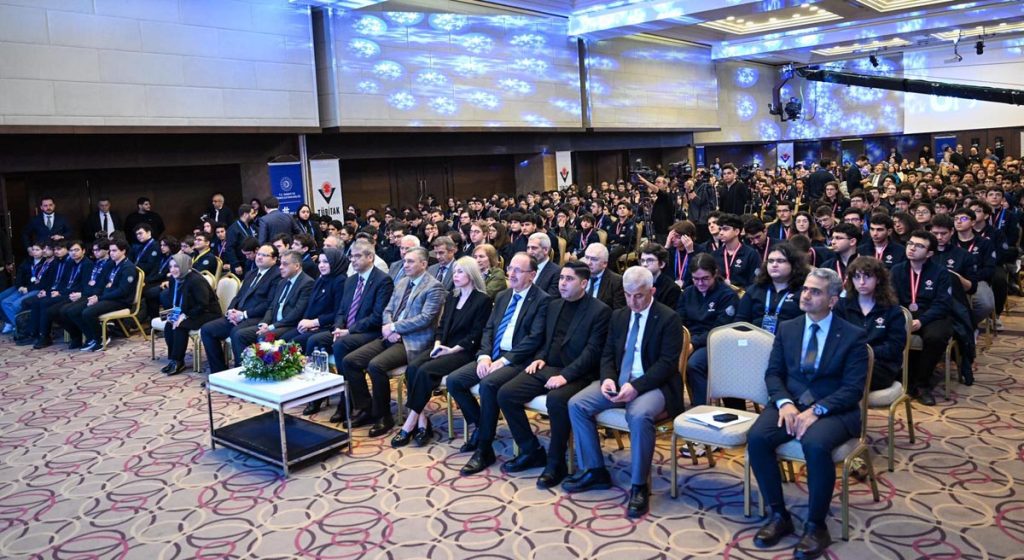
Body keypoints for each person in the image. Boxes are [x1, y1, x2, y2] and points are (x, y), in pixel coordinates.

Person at [747, 267, 868, 560]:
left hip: (835, 410)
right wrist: (784, 403)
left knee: (814, 444)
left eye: (815, 292)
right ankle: (779, 515)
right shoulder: (788, 328)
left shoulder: (852, 336)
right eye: (805, 289)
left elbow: (853, 389)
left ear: (833, 300)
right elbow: (773, 373)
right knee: (757, 438)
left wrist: (818, 409)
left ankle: (816, 526)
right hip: (791, 403)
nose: (806, 295)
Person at [563, 266, 683, 519]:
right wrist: (607, 378)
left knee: (638, 415)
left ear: (652, 291)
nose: (632, 302)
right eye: (628, 295)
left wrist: (636, 387)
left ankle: (639, 486)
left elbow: (667, 364)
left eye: (638, 296)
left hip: (654, 384)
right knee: (577, 404)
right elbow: (607, 353)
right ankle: (594, 470)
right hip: (619, 379)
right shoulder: (618, 316)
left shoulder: (668, 318)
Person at [495, 262, 611, 487]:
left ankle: (556, 462)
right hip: (548, 367)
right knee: (506, 394)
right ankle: (531, 450)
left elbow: (592, 352)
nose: (563, 283)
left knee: (557, 400)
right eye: (561, 278)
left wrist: (565, 376)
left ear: (584, 283)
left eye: (569, 279)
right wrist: (540, 357)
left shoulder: (600, 311)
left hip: (579, 373)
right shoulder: (554, 304)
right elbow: (545, 340)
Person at [447, 252, 550, 475]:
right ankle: (482, 427)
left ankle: (484, 449)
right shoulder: (503, 296)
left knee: (489, 384)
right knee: (454, 381)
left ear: (532, 275)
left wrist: (503, 360)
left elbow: (534, 338)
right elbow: (489, 329)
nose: (511, 274)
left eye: (518, 270)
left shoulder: (542, 300)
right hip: (492, 355)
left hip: (518, 360)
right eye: (510, 268)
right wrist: (484, 355)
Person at [342, 247, 445, 437]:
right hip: (390, 335)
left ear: (424, 264)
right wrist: (388, 327)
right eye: (405, 261)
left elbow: (425, 319)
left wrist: (395, 327)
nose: (405, 265)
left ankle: (383, 416)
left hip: (412, 341)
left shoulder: (434, 287)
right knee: (350, 361)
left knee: (376, 366)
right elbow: (387, 309)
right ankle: (366, 407)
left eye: (411, 261)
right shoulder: (402, 282)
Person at [392, 257, 492, 448]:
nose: (455, 275)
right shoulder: (452, 297)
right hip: (443, 346)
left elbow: (476, 334)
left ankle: (411, 422)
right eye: (454, 272)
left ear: (471, 274)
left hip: (463, 351)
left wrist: (451, 350)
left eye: (460, 271)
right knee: (412, 368)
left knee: (425, 372)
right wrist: (438, 344)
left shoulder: (483, 300)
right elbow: (442, 326)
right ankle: (422, 421)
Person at [302, 239, 395, 421]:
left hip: (370, 332)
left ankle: (350, 402)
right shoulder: (351, 280)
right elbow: (342, 311)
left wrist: (349, 331)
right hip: (347, 330)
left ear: (370, 257)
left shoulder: (383, 280)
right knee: (315, 340)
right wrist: (338, 327)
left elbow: (377, 317)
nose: (353, 260)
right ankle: (319, 394)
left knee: (341, 345)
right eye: (351, 256)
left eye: (358, 256)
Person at [891, 230, 952, 406]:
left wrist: (922, 320)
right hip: (904, 314)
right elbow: (891, 299)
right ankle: (897, 377)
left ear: (930, 253)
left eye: (919, 246)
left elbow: (942, 304)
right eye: (910, 243)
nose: (912, 248)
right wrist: (904, 317)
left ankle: (922, 384)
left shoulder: (940, 273)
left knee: (936, 337)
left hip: (932, 315)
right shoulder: (897, 270)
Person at [199, 245, 281, 373]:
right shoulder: (251, 273)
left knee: (237, 333)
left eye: (265, 255)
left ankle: (239, 373)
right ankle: (219, 371)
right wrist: (230, 311)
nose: (259, 257)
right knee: (207, 329)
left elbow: (269, 304)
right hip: (237, 315)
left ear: (274, 259)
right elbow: (238, 296)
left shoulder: (277, 276)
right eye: (259, 254)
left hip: (257, 317)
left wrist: (243, 315)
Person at [228, 250, 314, 365]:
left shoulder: (307, 283)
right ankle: (245, 369)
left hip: (289, 325)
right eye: (281, 263)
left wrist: (271, 327)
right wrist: (264, 323)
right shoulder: (282, 282)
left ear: (297, 266)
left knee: (264, 337)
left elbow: (296, 313)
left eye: (285, 264)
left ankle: (263, 371)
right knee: (240, 335)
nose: (280, 267)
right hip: (273, 323)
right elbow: (271, 307)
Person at [677, 253, 741, 407]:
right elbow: (679, 320)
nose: (700, 283)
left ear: (715, 273)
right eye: (695, 279)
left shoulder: (727, 295)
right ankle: (673, 407)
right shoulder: (688, 293)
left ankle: (702, 408)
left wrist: (693, 344)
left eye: (705, 278)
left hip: (716, 341)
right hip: (690, 339)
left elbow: (720, 329)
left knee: (694, 364)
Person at [836, 256, 906, 391]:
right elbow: (835, 337)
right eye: (857, 277)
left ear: (878, 279)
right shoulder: (842, 306)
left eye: (867, 277)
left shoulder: (892, 310)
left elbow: (895, 347)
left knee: (849, 375)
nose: (861, 282)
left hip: (881, 365)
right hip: (848, 360)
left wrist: (865, 352)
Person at [67, 239, 138, 352]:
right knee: (73, 311)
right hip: (107, 297)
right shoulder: (111, 264)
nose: (111, 253)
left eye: (114, 251)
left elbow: (122, 291)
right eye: (110, 251)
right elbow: (102, 284)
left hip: (121, 301)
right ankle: (91, 337)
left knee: (87, 312)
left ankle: (101, 338)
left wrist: (99, 298)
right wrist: (95, 296)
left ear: (123, 251)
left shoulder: (128, 268)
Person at [158, 253, 221, 375]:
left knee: (180, 326)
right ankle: (173, 359)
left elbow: (203, 304)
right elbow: (176, 300)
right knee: (170, 324)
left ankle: (178, 361)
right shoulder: (174, 279)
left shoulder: (195, 280)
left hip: (208, 313)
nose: (173, 270)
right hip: (188, 310)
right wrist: (175, 314)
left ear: (184, 265)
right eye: (170, 267)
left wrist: (185, 316)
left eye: (176, 266)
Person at [277, 247, 347, 350]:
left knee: (294, 343)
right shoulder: (321, 278)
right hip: (312, 324)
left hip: (327, 326)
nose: (321, 265)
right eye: (320, 262)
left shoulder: (340, 281)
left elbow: (338, 312)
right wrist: (305, 322)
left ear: (335, 262)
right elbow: (310, 305)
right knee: (283, 339)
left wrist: (315, 322)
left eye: (326, 262)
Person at [30, 240, 92, 349]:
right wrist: (50, 292)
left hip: (76, 294)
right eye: (71, 250)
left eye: (76, 250)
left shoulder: (87, 264)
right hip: (66, 292)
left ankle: (47, 336)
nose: (73, 253)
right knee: (40, 303)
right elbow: (63, 282)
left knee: (49, 307)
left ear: (83, 251)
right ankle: (37, 334)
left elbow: (83, 286)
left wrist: (60, 292)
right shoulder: (70, 263)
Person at [736, 242, 807, 334]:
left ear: (793, 264)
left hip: (789, 339)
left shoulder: (803, 292)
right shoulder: (754, 290)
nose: (774, 265)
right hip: (755, 339)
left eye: (780, 261)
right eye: (770, 261)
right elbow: (740, 322)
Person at [59, 242, 110, 348]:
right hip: (90, 293)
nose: (95, 252)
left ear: (107, 250)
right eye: (94, 250)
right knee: (64, 310)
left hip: (100, 295)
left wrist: (88, 294)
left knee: (73, 311)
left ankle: (96, 337)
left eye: (98, 250)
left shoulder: (107, 264)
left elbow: (103, 285)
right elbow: (91, 283)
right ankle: (89, 337)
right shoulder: (97, 263)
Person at [713, 213, 761, 288]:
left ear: (736, 231)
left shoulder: (751, 254)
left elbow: (755, 283)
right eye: (720, 229)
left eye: (725, 229)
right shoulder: (714, 255)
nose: (721, 233)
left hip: (744, 293)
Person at [582, 243, 626, 309]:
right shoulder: (579, 276)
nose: (588, 263)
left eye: (594, 259)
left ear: (605, 263)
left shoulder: (616, 282)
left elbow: (618, 311)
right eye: (587, 258)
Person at [639, 242, 681, 309]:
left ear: (662, 264)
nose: (644, 264)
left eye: (650, 260)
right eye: (642, 261)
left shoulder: (672, 289)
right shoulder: (638, 283)